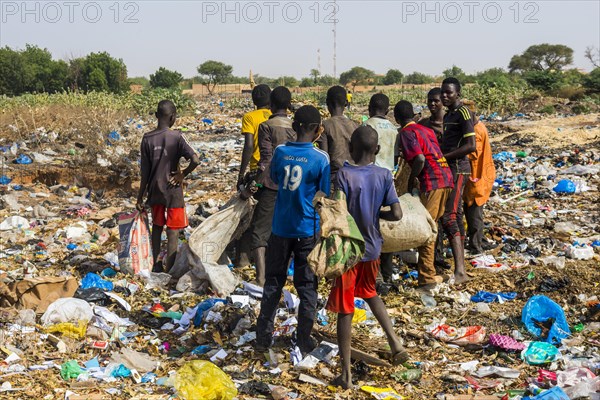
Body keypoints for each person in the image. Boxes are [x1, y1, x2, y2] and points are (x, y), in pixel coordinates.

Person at [327, 125, 408, 389]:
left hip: (349, 251)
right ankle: (395, 342)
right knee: (370, 292)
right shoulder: (384, 175)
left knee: (345, 309)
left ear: (350, 147)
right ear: (378, 149)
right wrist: (376, 215)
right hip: (372, 249)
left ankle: (347, 375)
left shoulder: (343, 176)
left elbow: (338, 214)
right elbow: (396, 214)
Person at [255, 105, 330, 355]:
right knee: (307, 286)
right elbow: (325, 192)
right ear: (318, 129)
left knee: (273, 282)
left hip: (280, 228)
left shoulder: (281, 152)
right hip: (306, 229)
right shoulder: (320, 158)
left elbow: (274, 178)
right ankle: (304, 339)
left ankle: (263, 337)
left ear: (294, 126)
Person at [394, 101, 454, 289]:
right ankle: (429, 271)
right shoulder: (426, 130)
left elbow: (419, 158)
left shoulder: (406, 133)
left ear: (396, 119)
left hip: (433, 181)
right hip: (446, 178)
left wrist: (413, 179)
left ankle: (427, 276)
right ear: (413, 115)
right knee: (433, 224)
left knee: (427, 228)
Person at [136, 100, 200, 272]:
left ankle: (156, 264)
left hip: (154, 189)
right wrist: (182, 174)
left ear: (156, 115)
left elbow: (145, 171)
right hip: (173, 190)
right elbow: (195, 160)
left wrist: (140, 196)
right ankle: (170, 269)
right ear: (173, 117)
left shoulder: (147, 138)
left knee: (157, 226)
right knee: (173, 230)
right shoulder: (177, 137)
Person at [251, 86, 296, 286]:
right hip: (293, 185)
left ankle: (261, 279)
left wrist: (255, 184)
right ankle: (283, 274)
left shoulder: (266, 126)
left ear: (271, 105)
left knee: (259, 234)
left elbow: (266, 160)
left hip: (271, 185)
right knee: (286, 230)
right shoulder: (296, 127)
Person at [440, 77, 476, 285]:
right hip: (451, 168)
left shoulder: (463, 112)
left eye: (449, 93)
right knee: (457, 214)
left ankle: (460, 271)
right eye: (443, 92)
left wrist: (445, 157)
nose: (445, 96)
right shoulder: (449, 115)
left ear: (458, 94)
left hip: (458, 170)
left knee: (449, 217)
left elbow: (471, 145)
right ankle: (460, 268)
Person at [364, 93, 397, 284]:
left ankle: (374, 274)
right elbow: (396, 155)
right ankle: (387, 272)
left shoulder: (368, 126)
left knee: (371, 226)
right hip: (388, 179)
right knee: (387, 227)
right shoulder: (393, 129)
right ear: (387, 110)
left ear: (369, 107)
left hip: (371, 178)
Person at [419, 87, 451, 272]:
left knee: (445, 217)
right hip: (429, 179)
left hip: (445, 176)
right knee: (432, 220)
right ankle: (434, 258)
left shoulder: (449, 125)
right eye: (430, 100)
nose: (432, 104)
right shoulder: (424, 125)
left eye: (436, 101)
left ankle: (437, 257)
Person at [462, 104, 496, 255]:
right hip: (482, 175)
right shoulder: (480, 125)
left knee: (474, 212)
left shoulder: (475, 131)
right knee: (475, 211)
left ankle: (476, 246)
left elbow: (472, 153)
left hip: (476, 177)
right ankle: (479, 240)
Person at [317, 86, 358, 182]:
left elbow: (324, 157)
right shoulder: (355, 125)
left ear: (327, 103)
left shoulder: (325, 125)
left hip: (334, 177)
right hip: (354, 175)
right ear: (346, 103)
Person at [237, 84, 271, 189]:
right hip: (275, 170)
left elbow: (249, 145)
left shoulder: (249, 117)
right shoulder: (276, 116)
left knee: (257, 197)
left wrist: (241, 175)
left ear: (254, 101)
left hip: (257, 172)